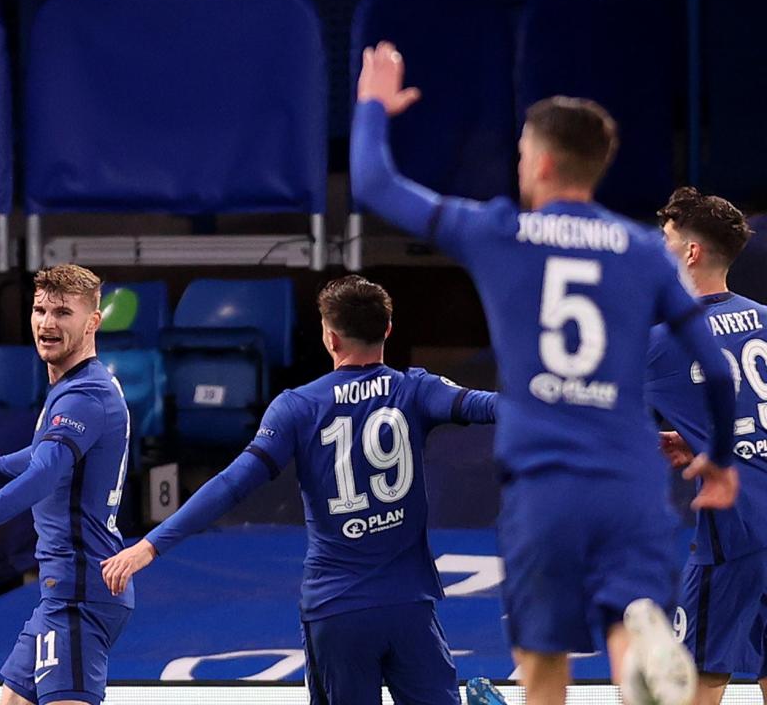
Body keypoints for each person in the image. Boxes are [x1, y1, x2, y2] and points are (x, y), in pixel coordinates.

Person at [350, 41, 740, 705]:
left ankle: (621, 653)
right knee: (628, 620)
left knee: (543, 666)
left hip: (544, 484)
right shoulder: (644, 250)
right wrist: (721, 459)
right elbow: (714, 366)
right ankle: (636, 646)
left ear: (546, 161)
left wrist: (371, 106)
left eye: (526, 154)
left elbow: (373, 184)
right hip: (628, 478)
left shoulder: (497, 230)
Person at [101, 275, 497, 705]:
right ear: (387, 329)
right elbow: (488, 407)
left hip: (337, 609)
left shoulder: (298, 406)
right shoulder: (415, 389)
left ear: (330, 337)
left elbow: (232, 484)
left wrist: (151, 545)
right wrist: (562, 404)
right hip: (409, 606)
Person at [0, 264, 132, 705]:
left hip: (79, 597)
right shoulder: (80, 388)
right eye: (40, 309)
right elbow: (44, 454)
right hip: (60, 593)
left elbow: (45, 472)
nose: (47, 323)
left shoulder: (84, 397)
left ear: (93, 322)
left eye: (63, 312)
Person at [646, 187, 767, 705]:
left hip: (732, 535)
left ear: (690, 252)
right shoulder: (765, 317)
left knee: (696, 679)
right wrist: (702, 438)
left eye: (666, 239)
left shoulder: (663, 341)